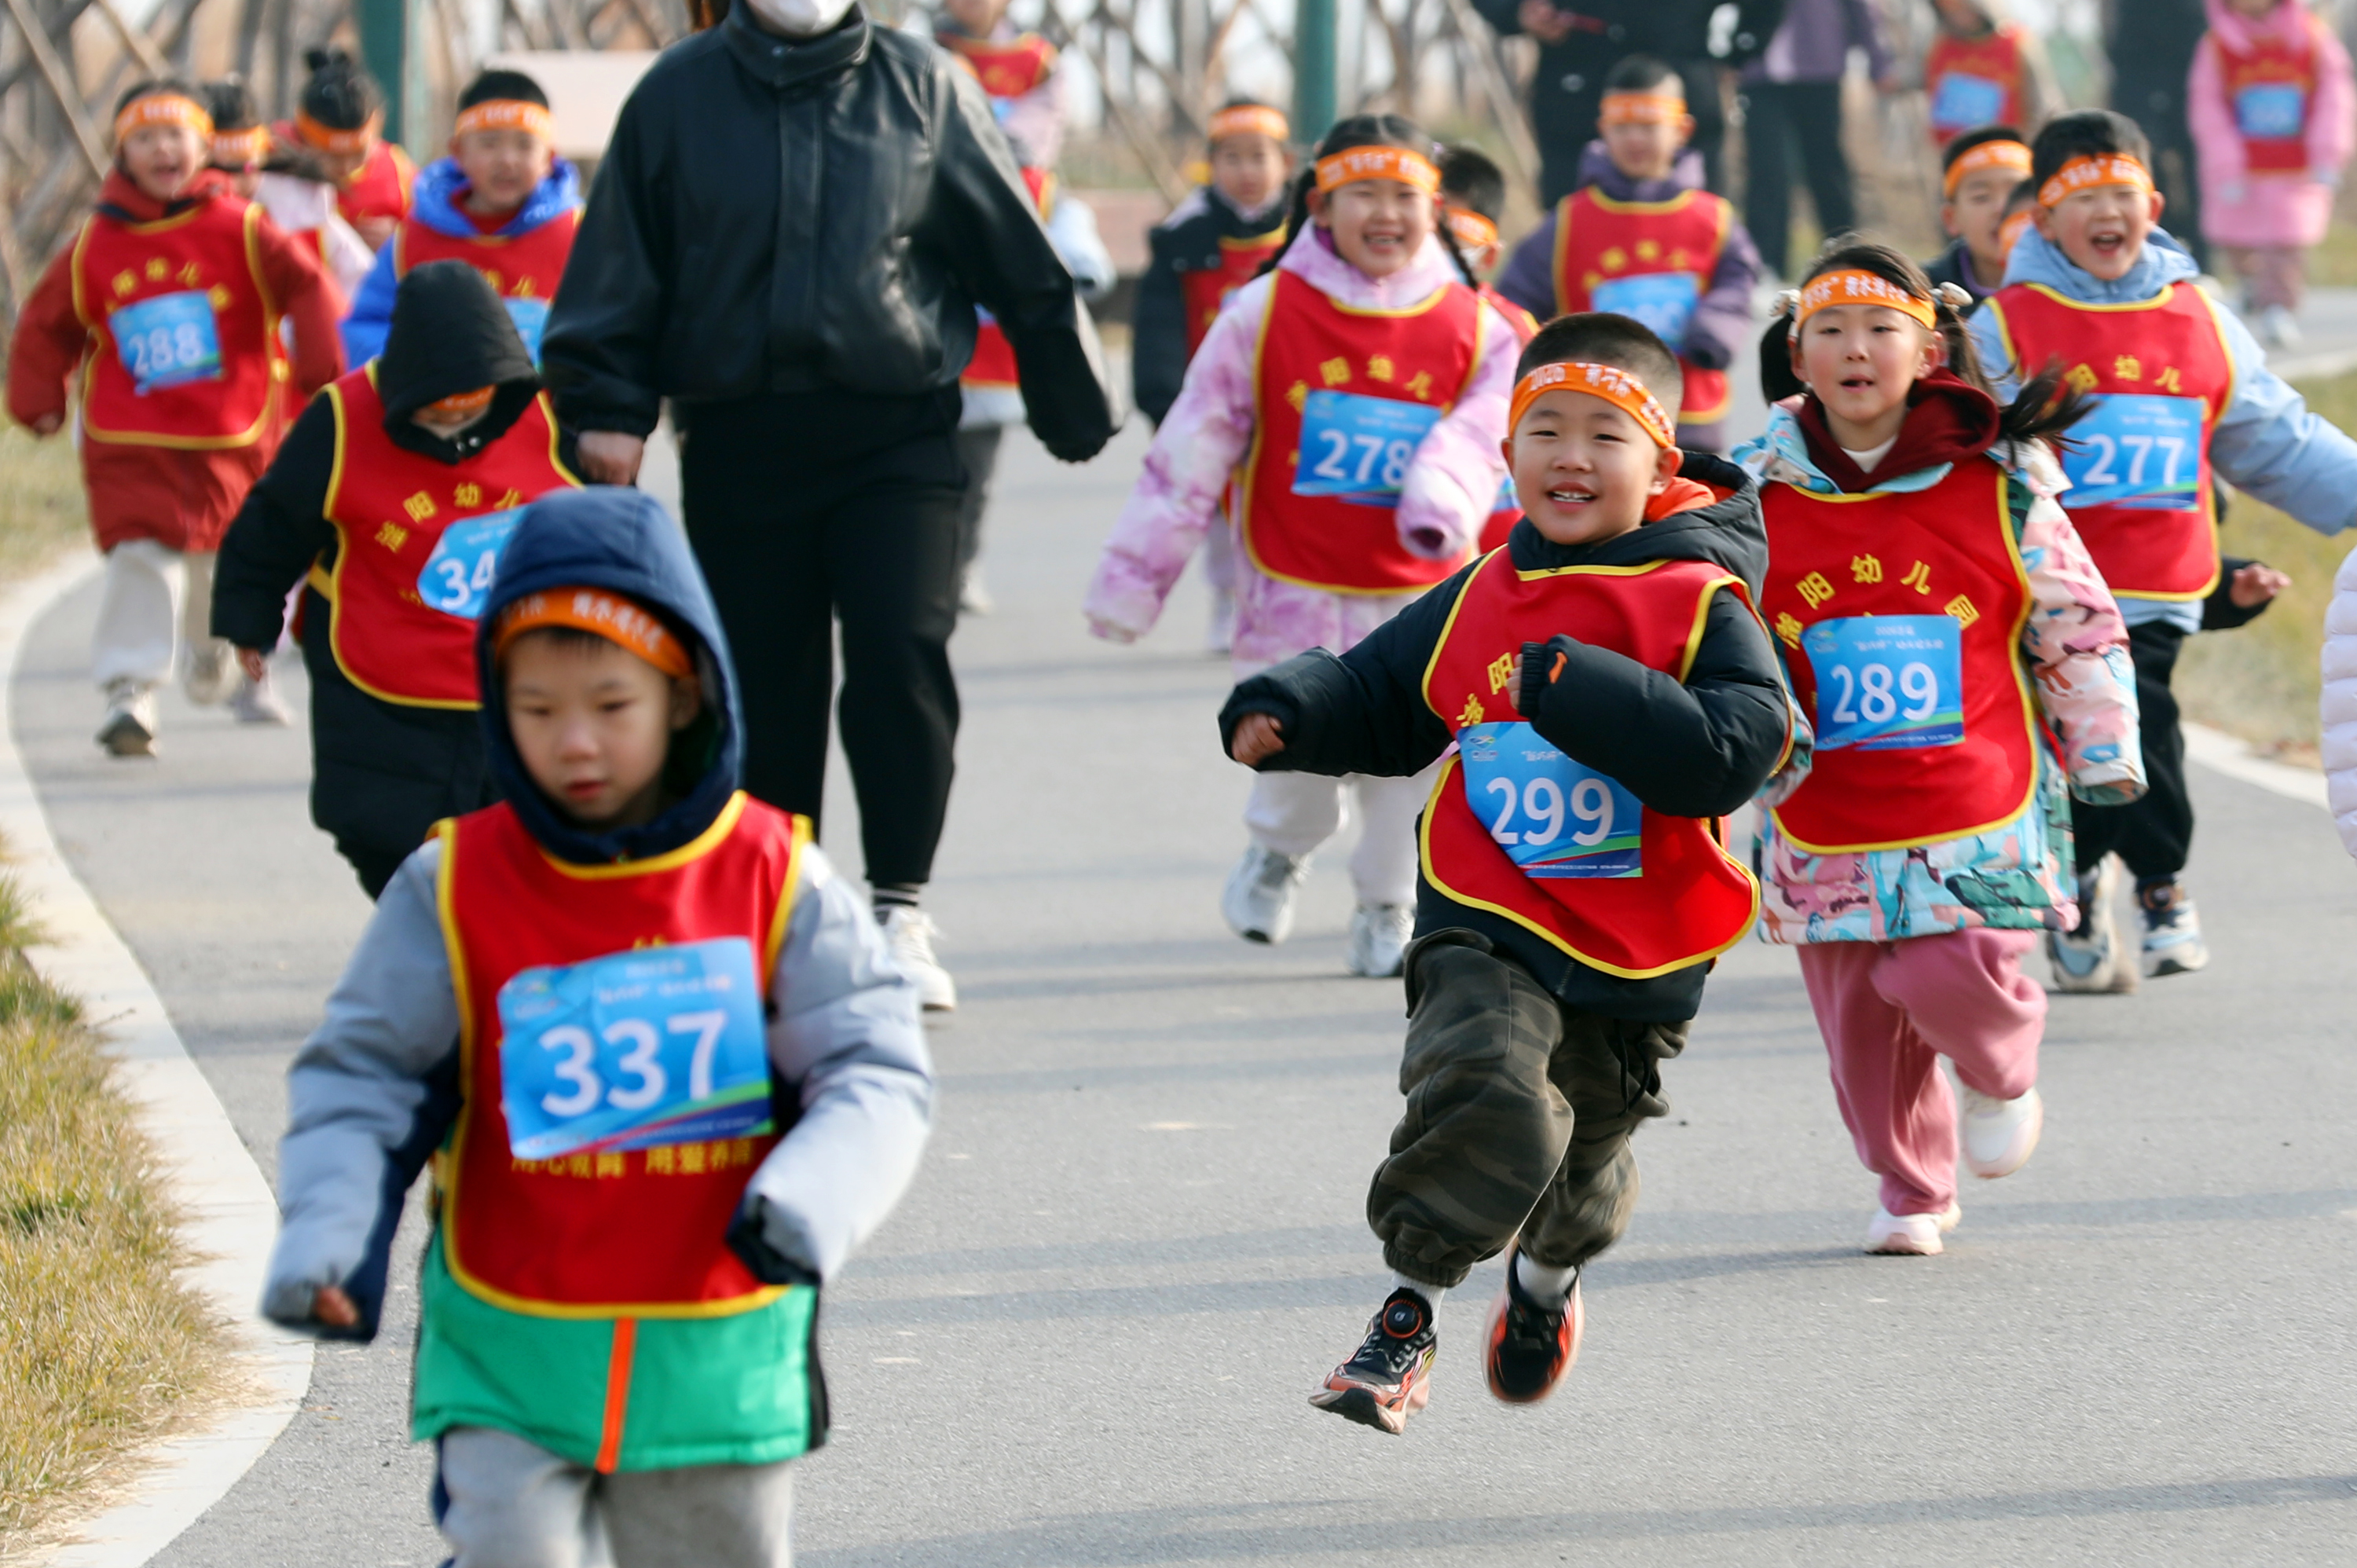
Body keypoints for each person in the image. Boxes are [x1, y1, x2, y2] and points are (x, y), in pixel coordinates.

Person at [258, 485, 932, 1568]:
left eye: (612, 705)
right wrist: (330, 1234)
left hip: (717, 1346)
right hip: (509, 1341)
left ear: (682, 694)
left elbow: (875, 1067)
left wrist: (813, 1201)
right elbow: (364, 1076)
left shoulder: (773, 876)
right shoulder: (450, 884)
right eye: (537, 709)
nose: (575, 742)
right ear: (497, 705)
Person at [1219, 314, 1790, 1431]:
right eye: (1546, 430)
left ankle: (1546, 1281)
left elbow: (1737, 748)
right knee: (1490, 1092)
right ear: (1508, 450)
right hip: (1489, 908)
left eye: (1604, 436)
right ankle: (1406, 1317)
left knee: (1582, 1161)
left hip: (1641, 937)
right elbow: (1380, 692)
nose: (1571, 457)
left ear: (1659, 464)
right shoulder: (1484, 588)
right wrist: (1287, 708)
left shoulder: (1701, 597)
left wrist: (1577, 686)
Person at [541, 0, 1116, 1014]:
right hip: (740, 438)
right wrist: (606, 407)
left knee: (901, 653)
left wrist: (1068, 391)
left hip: (898, 433)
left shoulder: (923, 85)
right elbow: (622, 264)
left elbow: (1012, 248)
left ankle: (899, 906)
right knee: (766, 682)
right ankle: (785, 907)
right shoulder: (678, 94)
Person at [1737, 247, 2143, 1255]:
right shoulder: (1747, 496)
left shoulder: (2003, 480)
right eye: (1830, 332)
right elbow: (1709, 638)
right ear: (1798, 354)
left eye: (1881, 330)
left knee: (1944, 971)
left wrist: (2102, 744)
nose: (1856, 350)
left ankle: (2000, 1070)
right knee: (1858, 1035)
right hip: (1823, 806)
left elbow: (2076, 622)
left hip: (1973, 795)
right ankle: (1913, 1184)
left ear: (1927, 351)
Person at [1083, 116, 1520, 980]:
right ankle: (1278, 851)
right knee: (1295, 756)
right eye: (1364, 194)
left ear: (1434, 209)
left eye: (1404, 195)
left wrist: (1440, 489)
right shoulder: (1262, 311)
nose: (1385, 213)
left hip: (1423, 595)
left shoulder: (1481, 326)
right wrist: (1133, 583)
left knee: (1411, 767)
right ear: (1320, 206)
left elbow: (1485, 437)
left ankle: (1389, 904)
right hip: (1293, 589)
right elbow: (1189, 453)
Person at [1972, 109, 2354, 987]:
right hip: (2050, 594)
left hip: (2157, 588)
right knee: (2083, 743)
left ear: (2154, 205)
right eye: (2084, 197)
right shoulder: (2005, 327)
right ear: (2044, 217)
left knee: (2141, 734)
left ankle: (2152, 883)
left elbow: (2276, 438)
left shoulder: (2202, 319)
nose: (2108, 212)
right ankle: (2091, 876)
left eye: (2124, 193)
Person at [212, 262, 577, 897]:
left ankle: (486, 938)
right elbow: (272, 526)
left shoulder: (552, 416)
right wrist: (250, 620)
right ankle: (424, 922)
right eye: (437, 417)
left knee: (521, 845)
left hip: (519, 677)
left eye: (470, 414)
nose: (455, 432)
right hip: (378, 668)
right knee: (383, 828)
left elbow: (617, 533)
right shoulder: (340, 420)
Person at [5, 79, 341, 757]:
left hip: (229, 437)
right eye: (144, 138)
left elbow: (308, 284)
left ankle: (215, 647)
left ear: (203, 146)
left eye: (175, 135)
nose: (162, 149)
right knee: (141, 559)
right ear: (121, 152)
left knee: (218, 563)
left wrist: (322, 370)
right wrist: (37, 399)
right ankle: (129, 691)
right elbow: (48, 322)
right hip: (130, 439)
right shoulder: (94, 243)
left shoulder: (244, 229)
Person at [1495, 56, 1764, 454]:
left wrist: (1714, 333)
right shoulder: (1568, 222)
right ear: (1603, 129)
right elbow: (1514, 304)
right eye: (1622, 127)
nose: (1635, 139)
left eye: (1649, 126)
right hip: (1594, 419)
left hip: (1688, 416)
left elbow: (1738, 282)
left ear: (1682, 130)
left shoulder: (1713, 219)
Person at [1132, 99, 1295, 653]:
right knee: (1223, 513)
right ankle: (1229, 599)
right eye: (1232, 157)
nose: (1247, 171)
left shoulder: (1311, 234)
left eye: (1259, 157)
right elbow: (1158, 326)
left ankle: (1280, 603)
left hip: (1291, 399)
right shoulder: (1184, 238)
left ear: (1285, 163)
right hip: (1215, 405)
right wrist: (1162, 399)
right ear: (1211, 164)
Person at [951, 149, 1115, 617]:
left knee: (973, 480)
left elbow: (1080, 255)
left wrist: (1070, 274)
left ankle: (961, 566)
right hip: (913, 354)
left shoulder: (1039, 188)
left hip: (987, 365)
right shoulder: (926, 159)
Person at [340, 69, 581, 366]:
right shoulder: (414, 239)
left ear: (549, 158)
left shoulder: (581, 234)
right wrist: (412, 370)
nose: (507, 160)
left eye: (524, 145)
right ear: (458, 151)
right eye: (490, 143)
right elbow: (367, 326)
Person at [2187, 0, 2357, 348]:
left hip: (2296, 168)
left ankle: (2278, 306)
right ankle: (2251, 284)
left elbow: (2334, 97)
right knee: (2238, 240)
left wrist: (2328, 151)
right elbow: (2207, 106)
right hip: (2239, 168)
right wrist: (2223, 162)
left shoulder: (2313, 38)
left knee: (2286, 243)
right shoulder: (2217, 46)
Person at [1468, 0, 1758, 203]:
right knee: (1577, 232)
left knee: (1695, 225)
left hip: (1681, 88)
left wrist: (1742, 49)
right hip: (1575, 94)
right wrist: (1516, 10)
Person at [1741, 0, 1896, 279]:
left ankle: (1848, 258)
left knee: (1827, 168)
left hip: (1819, 66)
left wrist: (1879, 63)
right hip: (1759, 68)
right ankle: (1764, 265)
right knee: (1767, 170)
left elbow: (1861, 9)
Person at [1440, 144, 1541, 556]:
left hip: (1492, 529)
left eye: (1459, 243)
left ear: (1489, 253)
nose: (1440, 256)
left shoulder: (1514, 330)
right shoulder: (1378, 315)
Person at [206, 76, 374, 310]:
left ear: (265, 153)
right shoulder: (175, 214)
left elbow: (362, 285)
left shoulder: (307, 211)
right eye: (216, 170)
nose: (231, 182)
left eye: (244, 168)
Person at [2106, 0, 2215, 270]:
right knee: (2143, 163)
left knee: (2198, 169)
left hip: (2191, 74)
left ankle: (2201, 259)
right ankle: (2154, 247)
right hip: (2136, 73)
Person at [279, 48, 414, 251]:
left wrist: (401, 241)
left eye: (358, 154)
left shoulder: (400, 173)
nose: (346, 167)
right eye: (330, 156)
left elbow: (431, 242)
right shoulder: (270, 170)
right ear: (300, 136)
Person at [1922, 0, 2058, 148]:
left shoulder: (2017, 43)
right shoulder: (1938, 48)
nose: (1958, 17)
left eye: (1962, 8)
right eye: (1950, 10)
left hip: (2011, 149)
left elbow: (2042, 104)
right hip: (1955, 151)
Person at [1923, 126, 2035, 303]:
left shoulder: (2073, 285)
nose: (2001, 209)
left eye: (2016, 194)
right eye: (1981, 197)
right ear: (1951, 219)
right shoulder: (1924, 294)